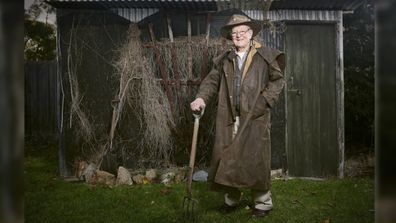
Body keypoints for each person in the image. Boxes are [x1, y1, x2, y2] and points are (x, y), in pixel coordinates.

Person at [190, 14, 285, 218]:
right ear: (230, 37)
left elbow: (277, 81)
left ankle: (262, 203)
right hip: (229, 117)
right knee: (229, 157)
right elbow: (211, 82)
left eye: (242, 31)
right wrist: (201, 99)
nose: (238, 35)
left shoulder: (265, 55)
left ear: (251, 34)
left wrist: (265, 101)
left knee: (255, 159)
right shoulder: (225, 59)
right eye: (234, 33)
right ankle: (232, 199)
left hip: (255, 117)